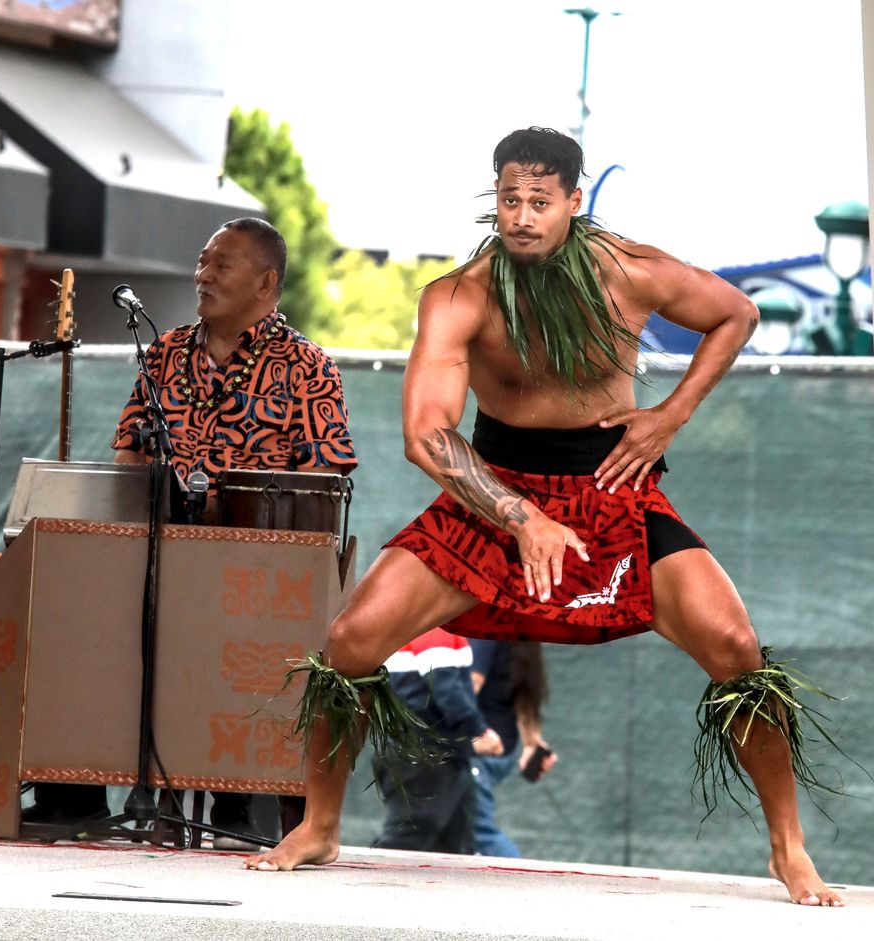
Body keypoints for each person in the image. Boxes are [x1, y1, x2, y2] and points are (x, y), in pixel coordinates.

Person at [244, 126, 842, 908]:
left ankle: (788, 847)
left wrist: (669, 415)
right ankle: (321, 824)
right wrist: (518, 514)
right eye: (509, 199)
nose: (522, 216)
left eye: (539, 201)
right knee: (351, 639)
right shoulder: (462, 294)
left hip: (615, 487)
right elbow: (427, 433)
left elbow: (735, 313)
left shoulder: (629, 270)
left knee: (735, 645)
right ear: (493, 198)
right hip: (494, 490)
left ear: (572, 201)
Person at [25, 217, 357, 845]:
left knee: (252, 638)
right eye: (202, 261)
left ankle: (242, 800)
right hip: (158, 556)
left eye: (221, 264)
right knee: (76, 607)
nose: (202, 274)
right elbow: (128, 455)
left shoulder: (309, 368)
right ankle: (73, 793)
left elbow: (323, 481)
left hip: (252, 574)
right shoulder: (166, 352)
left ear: (266, 281)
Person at [373, 627, 502, 855]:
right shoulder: (436, 630)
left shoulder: (421, 630)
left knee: (456, 842)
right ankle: (366, 885)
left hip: (436, 752)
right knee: (409, 836)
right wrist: (478, 730)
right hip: (425, 753)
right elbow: (445, 688)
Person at [469, 640, 556, 858]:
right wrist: (532, 743)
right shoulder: (521, 637)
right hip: (499, 752)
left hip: (479, 752)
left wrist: (449, 731)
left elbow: (472, 683)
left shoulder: (486, 634)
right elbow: (524, 695)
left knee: (477, 829)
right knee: (448, 824)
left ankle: (519, 878)